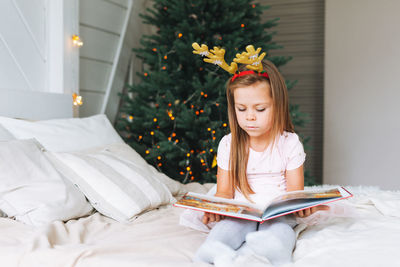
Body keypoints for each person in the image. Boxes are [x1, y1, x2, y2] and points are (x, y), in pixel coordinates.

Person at [193, 60, 328, 266]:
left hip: (277, 212)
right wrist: (215, 208)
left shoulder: (289, 143)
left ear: (277, 106)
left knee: (280, 228)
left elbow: (294, 193)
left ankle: (276, 250)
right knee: (230, 226)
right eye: (241, 108)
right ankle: (213, 250)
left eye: (260, 109)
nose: (250, 117)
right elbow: (224, 192)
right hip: (242, 209)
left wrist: (301, 207)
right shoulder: (229, 144)